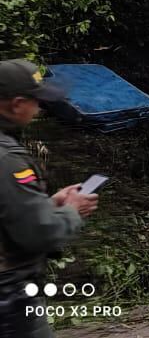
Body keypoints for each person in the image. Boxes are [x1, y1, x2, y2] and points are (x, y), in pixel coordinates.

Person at [0, 59, 98, 338]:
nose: (40, 107)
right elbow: (39, 234)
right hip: (11, 300)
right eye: (36, 100)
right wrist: (71, 210)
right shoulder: (8, 159)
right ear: (17, 104)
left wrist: (50, 203)